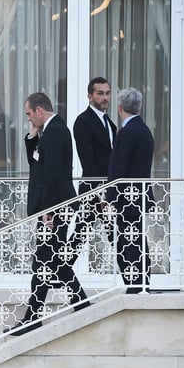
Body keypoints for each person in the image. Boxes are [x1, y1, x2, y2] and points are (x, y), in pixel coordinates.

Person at [7, 92, 89, 335]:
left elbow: (52, 175)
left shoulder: (55, 133)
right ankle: (78, 304)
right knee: (51, 261)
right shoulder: (49, 132)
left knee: (44, 261)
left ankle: (33, 318)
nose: (29, 119)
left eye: (30, 114)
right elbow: (37, 164)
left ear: (40, 110)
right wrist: (32, 136)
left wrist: (48, 212)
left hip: (55, 209)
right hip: (54, 208)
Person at [104, 86, 155, 294]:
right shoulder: (145, 131)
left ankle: (135, 285)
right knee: (137, 239)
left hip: (127, 198)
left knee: (127, 242)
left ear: (120, 107)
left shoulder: (127, 132)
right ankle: (142, 282)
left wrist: (109, 196)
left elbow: (119, 166)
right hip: (139, 196)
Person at [72, 77, 115, 251]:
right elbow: (88, 161)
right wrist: (101, 194)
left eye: (107, 93)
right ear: (90, 96)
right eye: (100, 94)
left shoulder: (109, 123)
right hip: (93, 193)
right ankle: (60, 274)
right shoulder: (83, 121)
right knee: (79, 237)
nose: (105, 97)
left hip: (110, 191)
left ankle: (132, 277)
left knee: (117, 238)